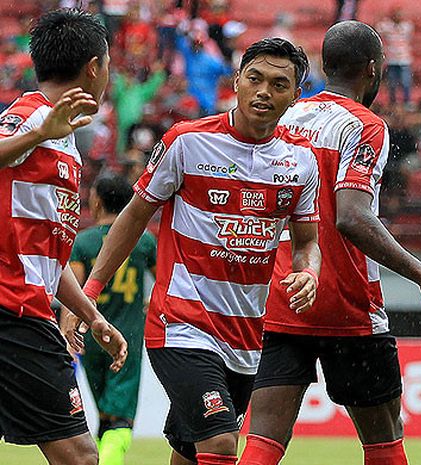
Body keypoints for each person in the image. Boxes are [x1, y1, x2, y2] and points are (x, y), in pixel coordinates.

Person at [73, 38, 321, 465]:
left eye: (280, 84)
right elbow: (132, 217)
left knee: (189, 452)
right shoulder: (187, 142)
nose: (264, 91)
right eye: (255, 78)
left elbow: (307, 242)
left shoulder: (301, 163)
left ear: (296, 96)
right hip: (182, 325)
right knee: (222, 443)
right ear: (237, 82)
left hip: (246, 335)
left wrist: (308, 271)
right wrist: (91, 290)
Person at [238, 21, 421, 465]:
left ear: (324, 66)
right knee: (384, 441)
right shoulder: (365, 125)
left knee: (263, 442)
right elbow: (352, 218)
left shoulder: (285, 117)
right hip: (346, 302)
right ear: (373, 70)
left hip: (283, 296)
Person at [0, 9, 127, 465]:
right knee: (80, 456)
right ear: (94, 66)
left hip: (21, 302)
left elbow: (46, 262)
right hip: (13, 313)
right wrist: (37, 133)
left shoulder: (62, 137)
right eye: (108, 63)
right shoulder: (31, 117)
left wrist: (92, 316)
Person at [61, 174, 157, 465]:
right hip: (126, 335)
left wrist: (69, 325)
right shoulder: (143, 242)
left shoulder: (83, 243)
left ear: (97, 201)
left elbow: (73, 291)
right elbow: (163, 279)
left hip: (89, 335)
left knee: (104, 414)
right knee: (121, 419)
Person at [376, 8, 414, 106]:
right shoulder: (387, 26)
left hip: (404, 59)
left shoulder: (406, 26)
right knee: (392, 83)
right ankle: (393, 102)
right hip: (392, 60)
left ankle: (407, 102)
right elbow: (378, 29)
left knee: (406, 83)